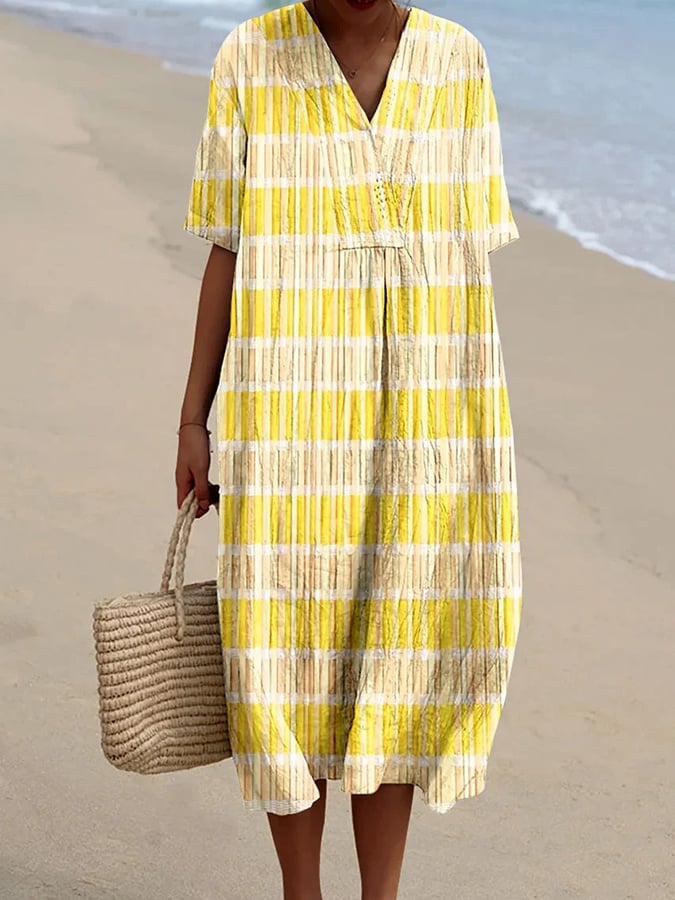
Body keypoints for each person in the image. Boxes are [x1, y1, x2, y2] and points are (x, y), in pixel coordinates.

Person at [176, 1, 523, 897]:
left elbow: (466, 266)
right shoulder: (249, 56)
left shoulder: (457, 61)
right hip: (285, 420)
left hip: (422, 421)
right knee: (280, 649)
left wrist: (467, 435)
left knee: (396, 651)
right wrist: (191, 419)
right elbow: (226, 247)